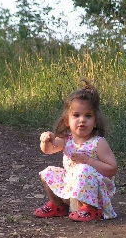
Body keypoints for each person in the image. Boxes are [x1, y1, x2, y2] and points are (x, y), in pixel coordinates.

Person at [34, 80, 117, 222]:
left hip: (94, 195)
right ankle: (58, 205)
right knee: (48, 172)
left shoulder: (98, 143)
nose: (82, 120)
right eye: (76, 115)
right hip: (71, 190)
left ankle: (90, 209)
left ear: (95, 121)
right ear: (67, 120)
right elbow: (48, 150)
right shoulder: (67, 139)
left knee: (83, 169)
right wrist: (45, 140)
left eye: (88, 116)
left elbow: (112, 169)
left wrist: (88, 161)